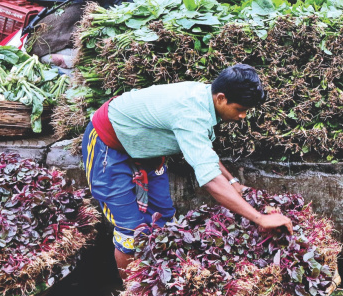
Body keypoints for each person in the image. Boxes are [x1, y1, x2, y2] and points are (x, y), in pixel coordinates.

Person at [81, 64, 293, 280]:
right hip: (108, 147)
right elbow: (210, 181)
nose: (243, 116)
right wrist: (260, 218)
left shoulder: (205, 98)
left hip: (145, 148)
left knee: (162, 216)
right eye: (240, 109)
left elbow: (204, 154)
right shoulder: (191, 113)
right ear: (221, 98)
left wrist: (233, 182)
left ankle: (158, 278)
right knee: (132, 230)